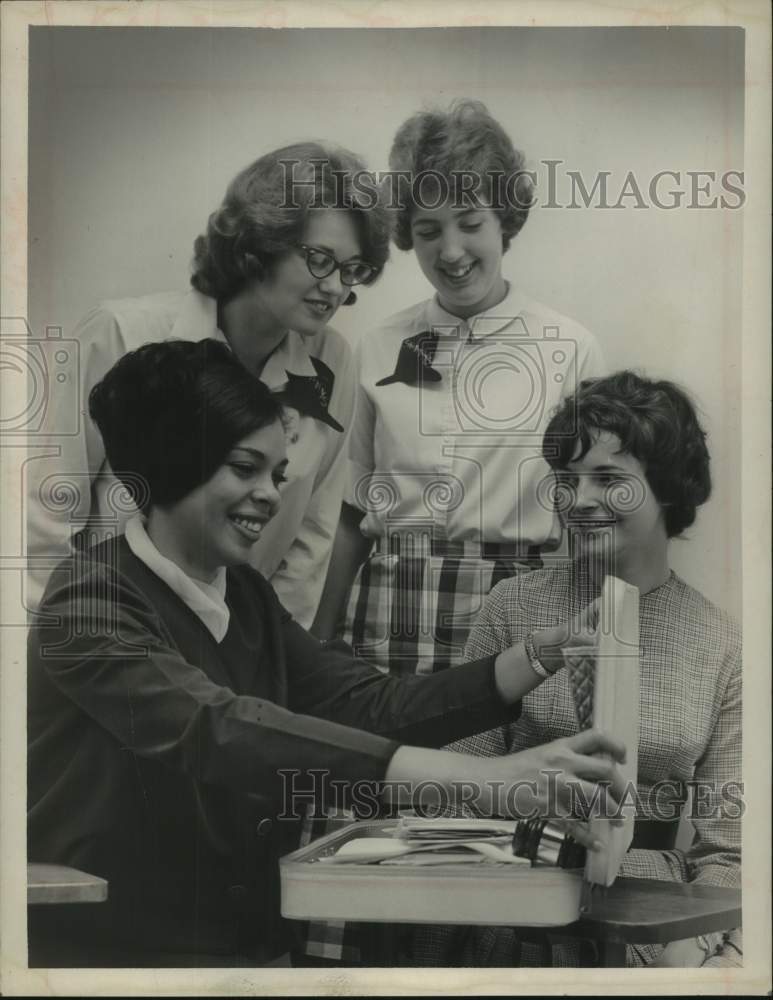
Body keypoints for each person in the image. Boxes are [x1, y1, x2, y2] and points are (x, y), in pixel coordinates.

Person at [27, 339, 629, 968]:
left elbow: (368, 703)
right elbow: (214, 727)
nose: (270, 494)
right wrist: (484, 781)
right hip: (107, 959)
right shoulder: (89, 600)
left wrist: (538, 654)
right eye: (244, 467)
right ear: (177, 460)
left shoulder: (247, 596)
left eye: (278, 475)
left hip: (239, 951)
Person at [413, 371, 742, 968]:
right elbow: (456, 796)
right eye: (568, 480)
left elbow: (728, 848)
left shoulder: (721, 644)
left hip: (649, 931)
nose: (579, 500)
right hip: (512, 917)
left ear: (668, 488)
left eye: (610, 479)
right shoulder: (513, 609)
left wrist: (708, 953)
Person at [26, 142, 390, 627]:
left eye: (352, 269)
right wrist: (49, 654)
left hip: (234, 659)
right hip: (109, 636)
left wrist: (266, 669)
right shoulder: (121, 333)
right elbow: (45, 518)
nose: (335, 287)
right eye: (320, 259)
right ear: (261, 243)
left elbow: (311, 541)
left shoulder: (333, 361)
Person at [313, 99, 606, 674]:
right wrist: (318, 639)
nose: (450, 252)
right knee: (391, 764)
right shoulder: (377, 346)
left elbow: (590, 514)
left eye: (470, 224)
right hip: (387, 611)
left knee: (501, 763)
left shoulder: (571, 348)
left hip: (518, 609)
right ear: (407, 237)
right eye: (428, 231)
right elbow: (353, 511)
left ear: (505, 220)